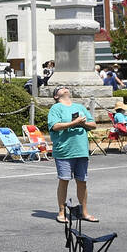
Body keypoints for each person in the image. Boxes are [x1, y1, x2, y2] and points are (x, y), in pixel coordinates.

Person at [47, 86, 98, 223]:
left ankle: (84, 212)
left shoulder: (80, 107)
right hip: (64, 151)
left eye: (65, 87)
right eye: (60, 88)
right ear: (56, 96)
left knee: (82, 182)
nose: (64, 89)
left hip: (81, 149)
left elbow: (93, 124)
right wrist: (73, 123)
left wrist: (83, 123)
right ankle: (61, 212)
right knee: (64, 181)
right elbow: (54, 126)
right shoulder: (56, 108)